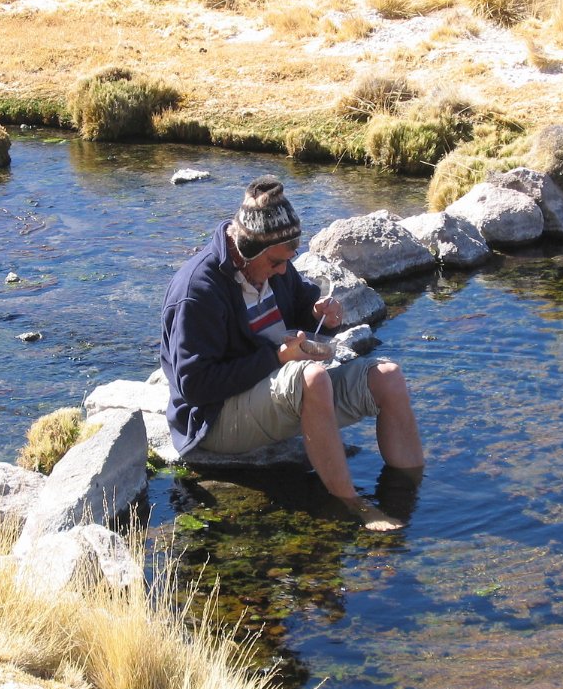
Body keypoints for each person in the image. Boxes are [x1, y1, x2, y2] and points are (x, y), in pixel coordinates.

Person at [160, 175, 424, 531]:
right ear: (247, 250)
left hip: (272, 397)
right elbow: (194, 385)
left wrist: (320, 316)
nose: (284, 270)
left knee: (387, 376)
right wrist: (276, 359)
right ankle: (353, 504)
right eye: (276, 263)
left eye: (289, 259)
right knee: (312, 377)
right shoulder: (198, 290)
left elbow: (300, 304)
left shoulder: (272, 263)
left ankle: (411, 494)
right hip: (213, 420)